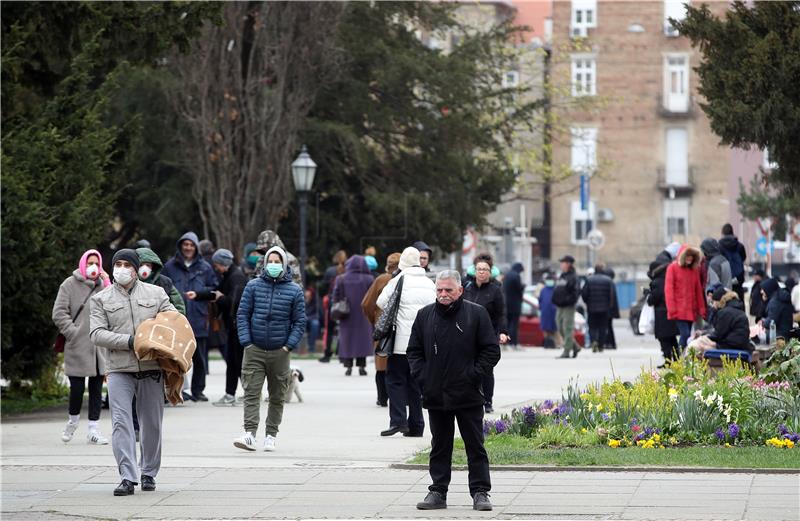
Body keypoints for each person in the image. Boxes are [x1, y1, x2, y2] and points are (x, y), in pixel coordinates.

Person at [407, 270, 500, 512]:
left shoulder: (476, 314)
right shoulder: (425, 315)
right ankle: (438, 491)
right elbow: (414, 351)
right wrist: (424, 377)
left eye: (448, 290)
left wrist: (473, 375)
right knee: (439, 444)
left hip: (467, 393)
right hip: (436, 393)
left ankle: (480, 492)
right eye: (439, 290)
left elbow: (491, 350)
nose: (443, 294)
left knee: (475, 445)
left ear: (459, 290)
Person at [88, 249, 176, 496]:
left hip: (151, 368)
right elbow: (96, 334)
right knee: (121, 423)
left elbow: (173, 320)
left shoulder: (156, 293)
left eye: (128, 264)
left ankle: (148, 472)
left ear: (137, 269)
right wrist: (129, 341)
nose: (122, 268)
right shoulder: (101, 298)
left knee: (152, 425)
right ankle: (127, 477)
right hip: (119, 369)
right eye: (118, 264)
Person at [234, 246, 305, 452]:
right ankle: (249, 434)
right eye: (270, 261)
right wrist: (246, 341)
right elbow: (242, 314)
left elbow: (299, 321)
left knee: (277, 395)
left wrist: (287, 346)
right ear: (265, 263)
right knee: (251, 392)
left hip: (279, 352)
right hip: (254, 349)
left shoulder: (294, 290)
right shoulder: (253, 286)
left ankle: (271, 435)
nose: (273, 265)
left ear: (284, 264)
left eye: (277, 261)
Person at [52, 249, 111, 445]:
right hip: (77, 345)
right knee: (76, 389)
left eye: (97, 263)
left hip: (99, 347)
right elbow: (59, 313)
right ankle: (73, 420)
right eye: (90, 262)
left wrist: (108, 282)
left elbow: (113, 307)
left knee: (96, 390)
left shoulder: (103, 285)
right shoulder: (69, 284)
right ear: (83, 263)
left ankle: (93, 429)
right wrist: (73, 332)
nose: (93, 266)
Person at [376, 247, 435, 437]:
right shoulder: (429, 282)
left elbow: (381, 302)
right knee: (415, 384)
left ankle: (398, 421)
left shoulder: (397, 280)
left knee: (394, 380)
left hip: (400, 342)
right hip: (422, 343)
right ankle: (417, 425)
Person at [162, 232, 218, 402]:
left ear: (196, 247)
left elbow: (214, 290)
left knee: (199, 358)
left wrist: (199, 294)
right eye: (185, 244)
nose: (188, 248)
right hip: (175, 320)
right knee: (174, 358)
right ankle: (175, 390)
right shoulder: (170, 266)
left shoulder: (206, 267)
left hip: (198, 318)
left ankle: (198, 390)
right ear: (180, 246)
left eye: (191, 245)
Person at [462, 253, 508, 414]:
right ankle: (470, 397)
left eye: (485, 269)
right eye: (479, 269)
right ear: (474, 271)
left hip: (488, 334)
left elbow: (501, 313)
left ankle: (487, 400)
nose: (481, 272)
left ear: (490, 272)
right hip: (467, 334)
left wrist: (503, 332)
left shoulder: (495, 290)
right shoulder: (466, 287)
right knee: (467, 367)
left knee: (486, 369)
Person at [362, 252, 401, 407]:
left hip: (383, 330)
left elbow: (366, 304)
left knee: (381, 364)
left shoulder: (381, 280)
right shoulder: (406, 280)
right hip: (402, 328)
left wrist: (375, 320)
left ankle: (382, 397)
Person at [210, 249, 248, 406]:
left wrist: (220, 298)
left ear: (223, 263)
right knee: (232, 361)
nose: (215, 267)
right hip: (233, 327)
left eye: (217, 264)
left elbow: (234, 302)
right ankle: (230, 394)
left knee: (238, 361)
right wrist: (197, 295)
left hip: (237, 326)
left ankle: (249, 393)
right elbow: (216, 292)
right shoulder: (228, 276)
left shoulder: (236, 277)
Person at [331, 255, 375, 375]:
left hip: (346, 315)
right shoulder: (369, 279)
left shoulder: (341, 278)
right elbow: (373, 297)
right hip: (363, 315)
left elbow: (336, 296)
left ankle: (348, 366)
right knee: (362, 341)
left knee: (347, 340)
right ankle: (362, 367)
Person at [665, 245, 707, 351]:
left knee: (688, 335)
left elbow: (698, 291)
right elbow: (669, 290)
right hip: (679, 311)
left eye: (692, 256)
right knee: (686, 334)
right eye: (688, 256)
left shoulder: (694, 270)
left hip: (691, 311)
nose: (690, 259)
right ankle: (680, 359)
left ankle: (683, 358)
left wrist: (701, 309)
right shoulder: (673, 268)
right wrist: (672, 309)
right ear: (682, 256)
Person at [648, 250, 679, 365]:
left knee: (664, 339)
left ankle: (668, 361)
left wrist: (648, 295)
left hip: (661, 314)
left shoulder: (657, 281)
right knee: (672, 338)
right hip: (671, 312)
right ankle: (676, 360)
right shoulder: (668, 278)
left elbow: (654, 298)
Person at [136, 248, 186, 315]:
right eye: (141, 265)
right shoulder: (129, 283)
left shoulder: (165, 282)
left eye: (148, 265)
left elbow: (178, 305)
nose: (144, 268)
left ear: (153, 267)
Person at [319, 250, 347, 363]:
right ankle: (341, 353)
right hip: (345, 304)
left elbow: (323, 287)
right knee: (343, 328)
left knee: (329, 329)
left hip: (332, 302)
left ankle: (327, 354)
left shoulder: (330, 271)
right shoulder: (348, 270)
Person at [581, 263, 616, 353]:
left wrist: (587, 303)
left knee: (592, 327)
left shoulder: (589, 280)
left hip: (591, 308)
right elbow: (612, 295)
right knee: (603, 327)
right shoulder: (608, 280)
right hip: (604, 309)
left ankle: (593, 341)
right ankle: (601, 345)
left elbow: (584, 293)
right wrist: (610, 306)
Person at [552, 255, 580, 358]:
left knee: (567, 328)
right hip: (560, 305)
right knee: (560, 327)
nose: (561, 264)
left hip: (568, 306)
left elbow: (576, 292)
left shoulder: (573, 277)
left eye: (562, 262)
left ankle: (567, 351)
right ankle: (575, 346)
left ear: (568, 264)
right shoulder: (562, 276)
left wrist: (569, 300)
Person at [706, 287, 751, 351]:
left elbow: (717, 334)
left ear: (717, 301)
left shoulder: (725, 312)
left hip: (731, 346)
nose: (712, 305)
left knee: (696, 345)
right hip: (740, 345)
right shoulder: (736, 308)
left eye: (713, 302)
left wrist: (703, 336)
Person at [719, 223, 747, 301]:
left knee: (725, 303)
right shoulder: (740, 246)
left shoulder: (719, 246)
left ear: (723, 233)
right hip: (738, 279)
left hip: (724, 279)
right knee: (739, 301)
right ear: (732, 232)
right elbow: (743, 258)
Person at [503, 262, 525, 349]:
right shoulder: (516, 276)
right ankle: (514, 343)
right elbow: (518, 289)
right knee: (514, 324)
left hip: (506, 303)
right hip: (515, 304)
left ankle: (505, 343)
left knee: (507, 324)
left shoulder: (507, 275)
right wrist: (523, 287)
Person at [538, 273, 558, 348]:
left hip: (554, 312)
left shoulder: (555, 289)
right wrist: (541, 308)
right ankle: (547, 343)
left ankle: (555, 344)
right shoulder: (543, 290)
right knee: (546, 329)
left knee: (554, 329)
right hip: (545, 312)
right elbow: (540, 300)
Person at [304, 286, 322, 353]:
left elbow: (317, 314)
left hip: (312, 318)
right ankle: (298, 347)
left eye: (309, 296)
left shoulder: (316, 301)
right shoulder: (301, 299)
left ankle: (311, 347)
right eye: (306, 296)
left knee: (315, 323)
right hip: (303, 318)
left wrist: (308, 318)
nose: (307, 297)